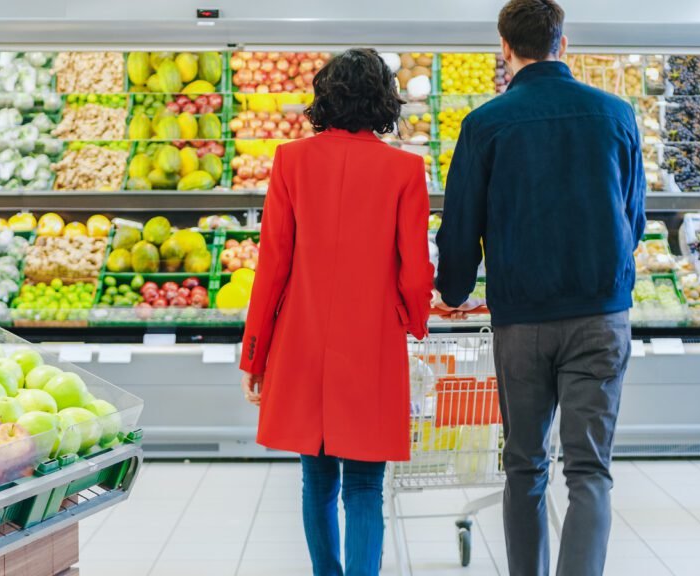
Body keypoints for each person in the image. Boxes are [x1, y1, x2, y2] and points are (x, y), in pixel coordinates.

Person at [434, 0, 646, 573]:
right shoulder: (616, 114)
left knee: (524, 467)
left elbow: (460, 226)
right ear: (564, 44)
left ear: (504, 48)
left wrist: (452, 292)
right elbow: (635, 220)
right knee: (589, 471)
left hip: (521, 322)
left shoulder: (484, 124)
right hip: (600, 316)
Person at [239, 48, 435, 575]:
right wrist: (415, 321)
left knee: (317, 479)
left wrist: (254, 355)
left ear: (324, 98)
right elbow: (416, 272)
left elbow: (271, 268)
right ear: (383, 102)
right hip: (371, 343)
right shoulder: (405, 170)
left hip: (300, 344)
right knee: (366, 486)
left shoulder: (290, 161)